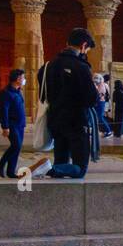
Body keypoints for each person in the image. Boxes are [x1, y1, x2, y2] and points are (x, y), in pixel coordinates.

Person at [40, 28, 99, 179]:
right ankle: (47, 168)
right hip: (75, 121)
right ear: (84, 45)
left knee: (61, 161)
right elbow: (91, 98)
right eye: (87, 50)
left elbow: (43, 92)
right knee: (80, 169)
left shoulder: (48, 65)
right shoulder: (81, 66)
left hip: (55, 120)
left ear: (68, 43)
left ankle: (53, 170)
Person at [0, 68, 27, 179]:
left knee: (17, 148)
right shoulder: (6, 93)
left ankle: (11, 171)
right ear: (18, 79)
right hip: (12, 124)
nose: (24, 80)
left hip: (20, 124)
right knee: (16, 145)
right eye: (23, 77)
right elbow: (5, 110)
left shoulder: (18, 91)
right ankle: (1, 163)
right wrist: (5, 127)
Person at [92, 73, 112, 139]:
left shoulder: (102, 85)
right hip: (98, 102)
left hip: (100, 102)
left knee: (100, 117)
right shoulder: (98, 85)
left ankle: (108, 131)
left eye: (96, 78)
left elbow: (100, 95)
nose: (95, 79)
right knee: (98, 118)